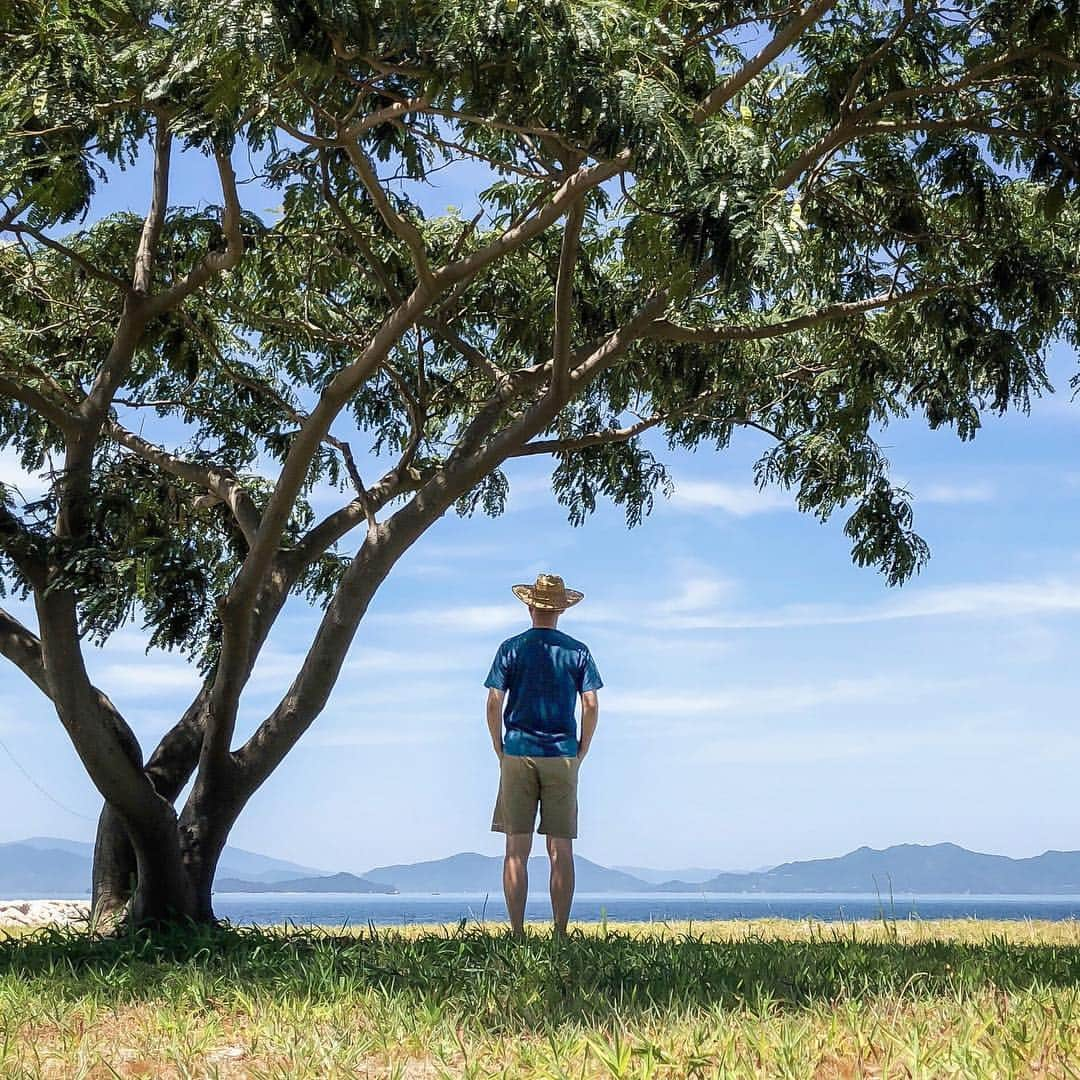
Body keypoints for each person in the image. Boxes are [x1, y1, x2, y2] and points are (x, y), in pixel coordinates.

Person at [484, 572, 602, 936]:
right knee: (560, 849)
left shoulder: (511, 648)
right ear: (561, 610)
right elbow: (591, 702)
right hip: (562, 755)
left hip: (518, 751)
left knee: (515, 850)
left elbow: (493, 701)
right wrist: (582, 747)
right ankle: (560, 932)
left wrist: (498, 744)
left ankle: (517, 933)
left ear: (530, 606)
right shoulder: (577, 650)